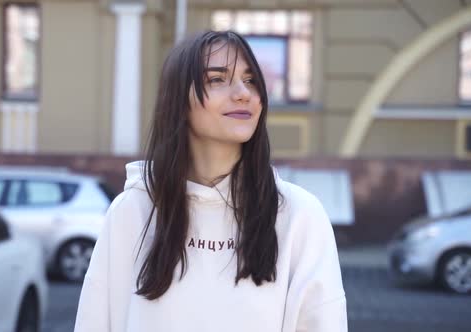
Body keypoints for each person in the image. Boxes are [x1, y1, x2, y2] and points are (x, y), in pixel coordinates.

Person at [74, 30, 347, 332]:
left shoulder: (298, 215)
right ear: (178, 99)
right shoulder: (133, 211)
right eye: (217, 79)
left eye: (251, 80)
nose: (243, 93)